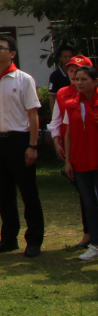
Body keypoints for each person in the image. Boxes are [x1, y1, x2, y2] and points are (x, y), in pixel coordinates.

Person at [0, 35, 44, 257]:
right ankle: (8, 238)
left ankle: (34, 240)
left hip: (20, 139)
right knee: (4, 193)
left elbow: (33, 114)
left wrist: (33, 145)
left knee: (28, 192)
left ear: (12, 54)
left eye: (1, 47)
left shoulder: (24, 79)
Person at [50, 54, 92, 250]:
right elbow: (57, 120)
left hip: (92, 151)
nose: (74, 75)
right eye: (72, 70)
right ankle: (88, 235)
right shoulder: (63, 94)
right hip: (74, 152)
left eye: (79, 71)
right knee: (85, 197)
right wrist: (57, 142)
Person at [62, 64, 98, 262]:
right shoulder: (71, 104)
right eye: (77, 79)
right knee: (89, 204)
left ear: (95, 82)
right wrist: (68, 161)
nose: (79, 83)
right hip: (80, 161)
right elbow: (68, 135)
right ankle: (95, 244)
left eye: (84, 79)